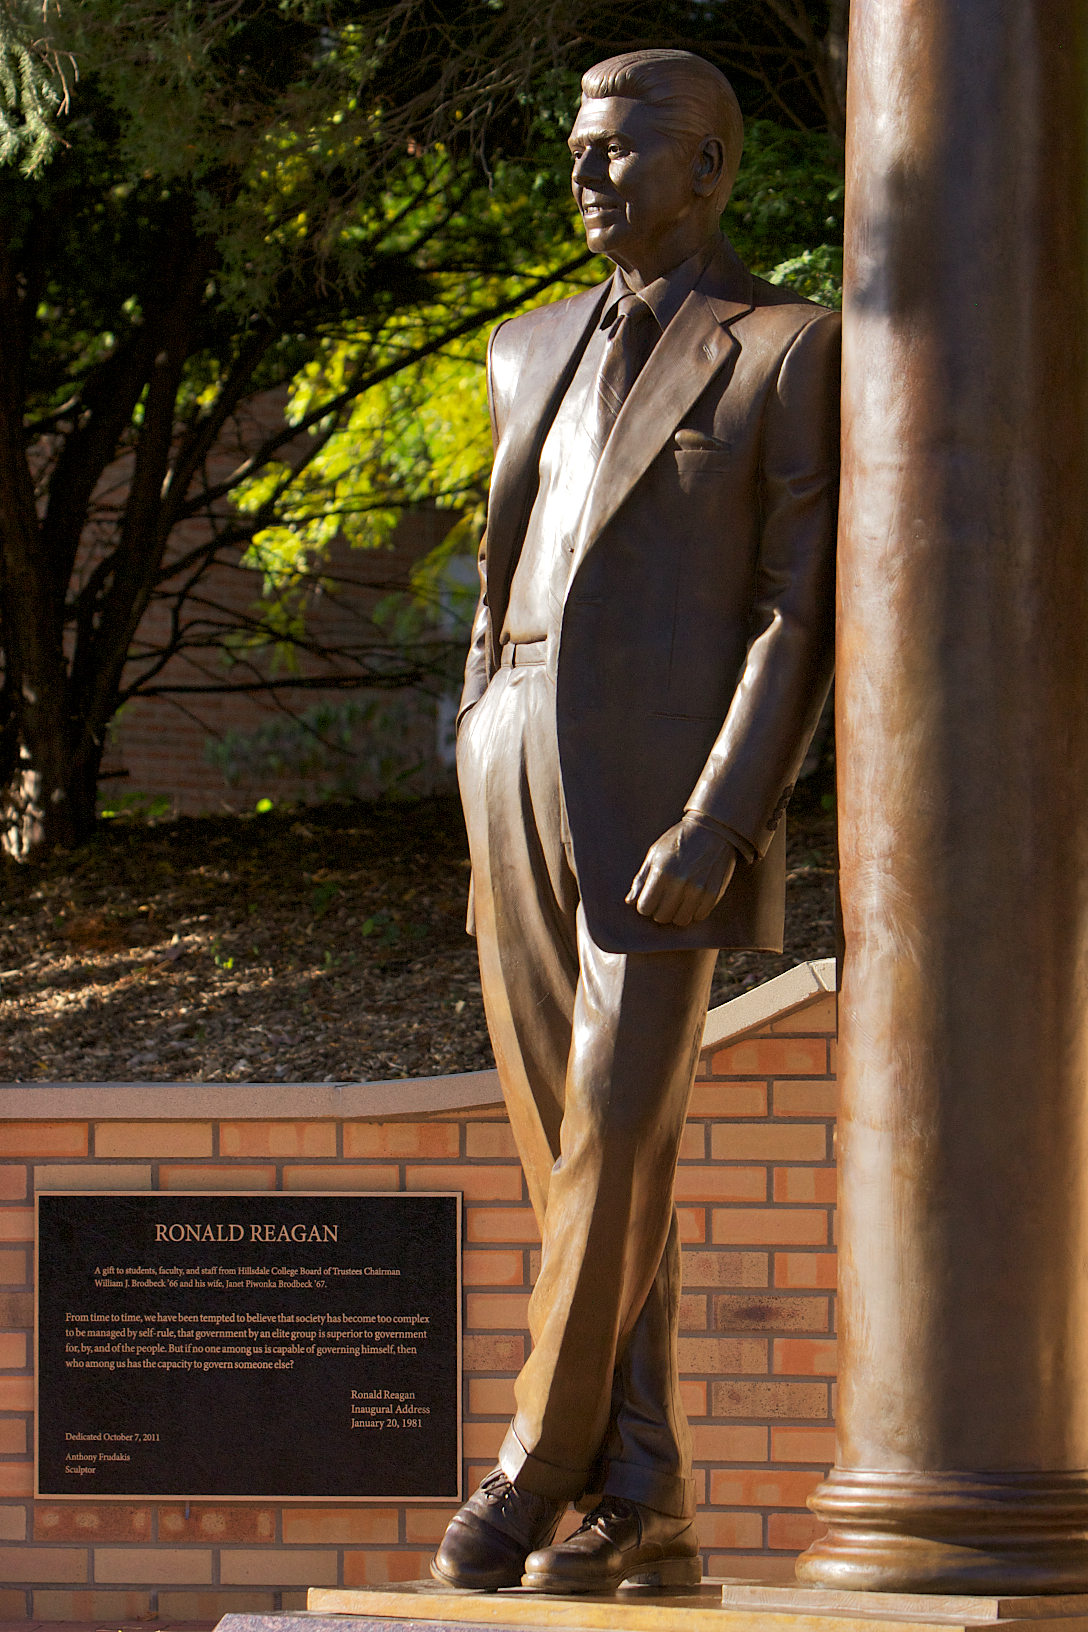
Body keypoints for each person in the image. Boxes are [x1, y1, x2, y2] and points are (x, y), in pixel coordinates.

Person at [433, 47, 839, 1595]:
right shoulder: (525, 349)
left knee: (615, 1123)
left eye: (624, 149)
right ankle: (645, 1495)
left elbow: (798, 614)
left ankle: (536, 1464)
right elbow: (496, 567)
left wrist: (731, 816)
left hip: (670, 797)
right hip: (513, 761)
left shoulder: (788, 350)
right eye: (581, 148)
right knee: (582, 1160)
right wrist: (477, 732)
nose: (590, 173)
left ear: (712, 169)